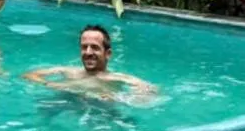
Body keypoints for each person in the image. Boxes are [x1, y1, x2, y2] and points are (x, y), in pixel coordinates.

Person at [23, 24, 154, 98]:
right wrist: (50, 84)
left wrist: (120, 98)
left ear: (107, 54)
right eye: (84, 47)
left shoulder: (117, 78)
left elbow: (150, 90)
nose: (88, 52)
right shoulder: (68, 72)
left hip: (102, 116)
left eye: (95, 48)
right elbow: (29, 75)